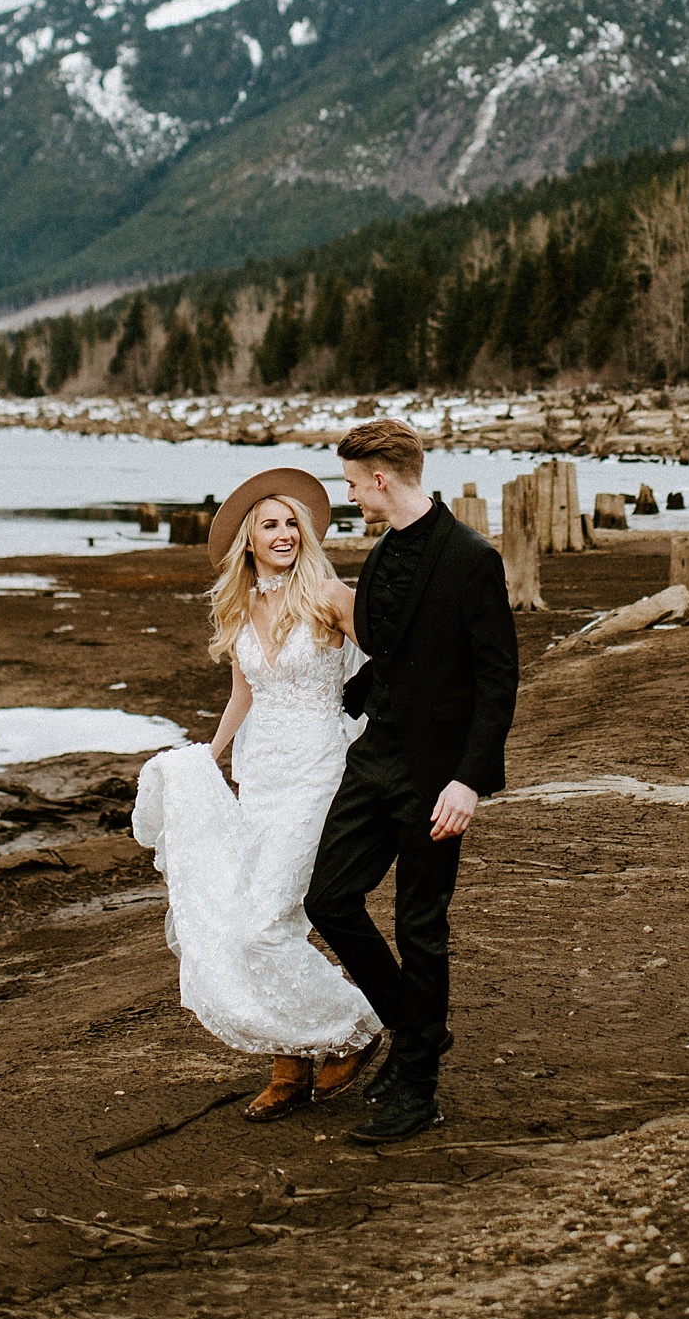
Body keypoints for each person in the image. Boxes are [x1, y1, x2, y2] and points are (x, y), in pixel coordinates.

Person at [131, 469, 384, 1120]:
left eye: (291, 523)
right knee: (253, 920)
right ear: (248, 540)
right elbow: (244, 696)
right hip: (262, 776)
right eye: (269, 525)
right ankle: (290, 1061)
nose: (282, 534)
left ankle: (357, 1025)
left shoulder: (331, 597)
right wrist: (204, 760)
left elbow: (390, 668)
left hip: (320, 770)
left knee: (267, 924)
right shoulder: (241, 608)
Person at [304, 417, 520, 1145]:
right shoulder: (386, 550)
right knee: (329, 898)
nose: (350, 495)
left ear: (382, 479)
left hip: (436, 773)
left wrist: (469, 782)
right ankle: (417, 1030)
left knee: (419, 924)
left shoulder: (471, 558)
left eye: (352, 483)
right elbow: (388, 649)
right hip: (375, 756)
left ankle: (417, 1087)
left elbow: (497, 680)